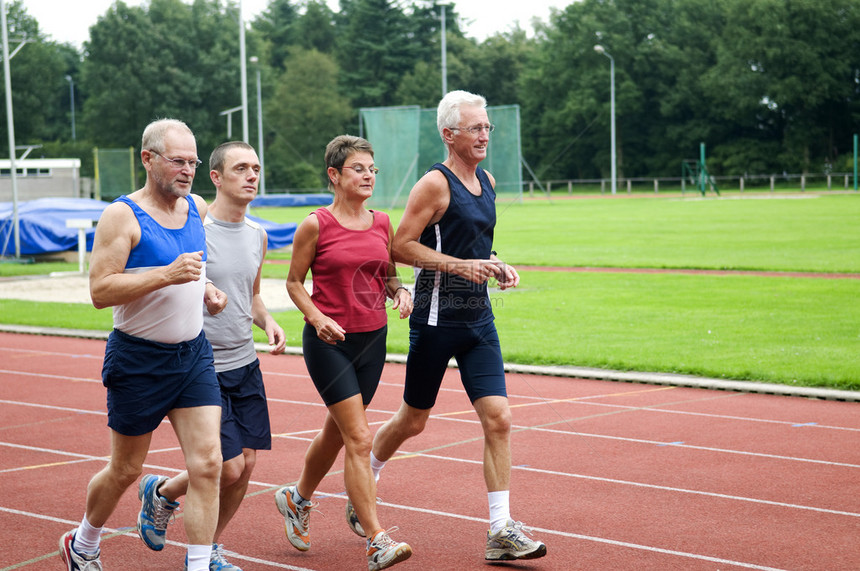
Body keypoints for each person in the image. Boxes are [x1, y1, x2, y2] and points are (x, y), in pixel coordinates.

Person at [356, 91, 548, 562]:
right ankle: (368, 476)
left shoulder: (490, 180)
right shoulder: (434, 185)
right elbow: (399, 247)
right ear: (449, 134)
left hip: (478, 321)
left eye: (488, 127)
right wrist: (460, 267)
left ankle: (500, 530)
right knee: (413, 420)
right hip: (435, 320)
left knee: (499, 418)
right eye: (476, 128)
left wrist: (499, 265)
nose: (485, 135)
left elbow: (478, 246)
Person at [59, 118, 229, 571]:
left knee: (208, 463)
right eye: (178, 160)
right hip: (138, 359)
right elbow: (100, 291)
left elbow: (195, 268)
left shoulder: (197, 207)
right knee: (126, 470)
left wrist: (207, 291)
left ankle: (197, 564)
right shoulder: (122, 215)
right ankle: (84, 542)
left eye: (193, 161)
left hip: (192, 355)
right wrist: (168, 275)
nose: (188, 170)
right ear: (148, 159)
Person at [134, 141, 286, 570]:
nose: (252, 176)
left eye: (256, 168)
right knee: (229, 467)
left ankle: (200, 537)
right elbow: (171, 279)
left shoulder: (258, 233)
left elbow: (252, 296)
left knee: (248, 464)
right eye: (241, 168)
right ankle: (168, 503)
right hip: (204, 365)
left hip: (245, 363)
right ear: (216, 177)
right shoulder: (196, 226)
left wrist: (268, 322)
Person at [274, 135, 413, 571]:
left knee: (337, 432)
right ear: (334, 175)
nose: (369, 175)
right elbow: (294, 283)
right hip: (328, 342)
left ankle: (296, 498)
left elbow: (387, 276)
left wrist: (401, 291)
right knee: (359, 437)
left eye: (372, 168)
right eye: (358, 168)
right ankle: (377, 539)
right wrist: (317, 319)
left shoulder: (383, 223)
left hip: (373, 342)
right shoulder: (315, 224)